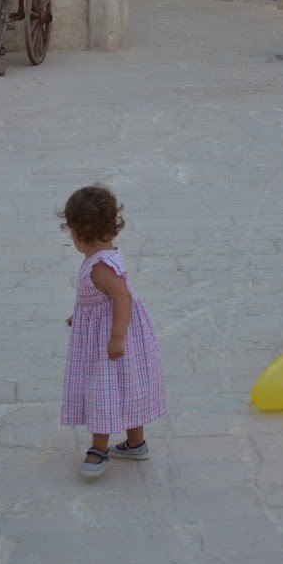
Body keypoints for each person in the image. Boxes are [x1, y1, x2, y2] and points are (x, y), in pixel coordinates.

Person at [58, 184, 167, 477]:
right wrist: (79, 316)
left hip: (110, 340)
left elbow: (122, 297)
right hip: (113, 331)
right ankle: (135, 443)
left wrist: (117, 338)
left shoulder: (99, 267)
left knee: (101, 390)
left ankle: (99, 448)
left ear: (78, 234)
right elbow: (100, 299)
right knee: (127, 387)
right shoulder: (106, 257)